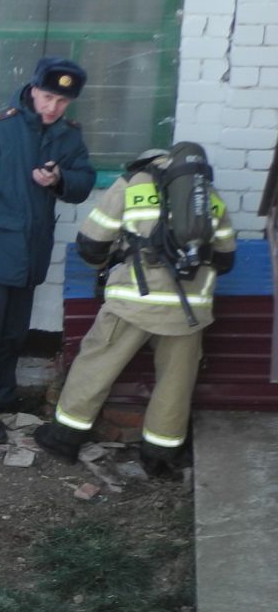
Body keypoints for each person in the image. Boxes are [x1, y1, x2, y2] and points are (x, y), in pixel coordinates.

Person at [33, 143, 238, 473]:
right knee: (176, 381)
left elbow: (91, 243)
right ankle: (160, 455)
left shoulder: (131, 184)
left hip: (135, 300)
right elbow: (226, 260)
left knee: (97, 363)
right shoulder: (206, 194)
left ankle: (64, 437)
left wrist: (111, 262)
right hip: (190, 309)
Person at [0, 57, 95, 443]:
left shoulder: (67, 135)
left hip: (31, 254)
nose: (53, 107)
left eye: (62, 102)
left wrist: (60, 179)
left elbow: (83, 182)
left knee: (15, 334)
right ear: (32, 89)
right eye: (47, 97)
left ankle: (3, 397)